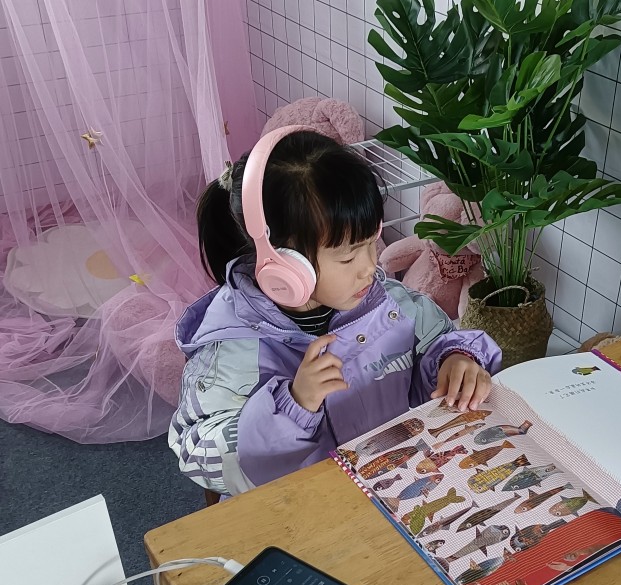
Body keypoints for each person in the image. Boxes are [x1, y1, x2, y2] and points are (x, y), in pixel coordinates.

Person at [169, 128, 501, 495]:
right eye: (347, 256)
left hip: (396, 487)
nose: (370, 266)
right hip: (303, 507)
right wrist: (292, 406)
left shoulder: (392, 303)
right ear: (283, 265)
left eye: (371, 243)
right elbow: (195, 452)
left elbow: (439, 341)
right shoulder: (233, 350)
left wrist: (455, 359)